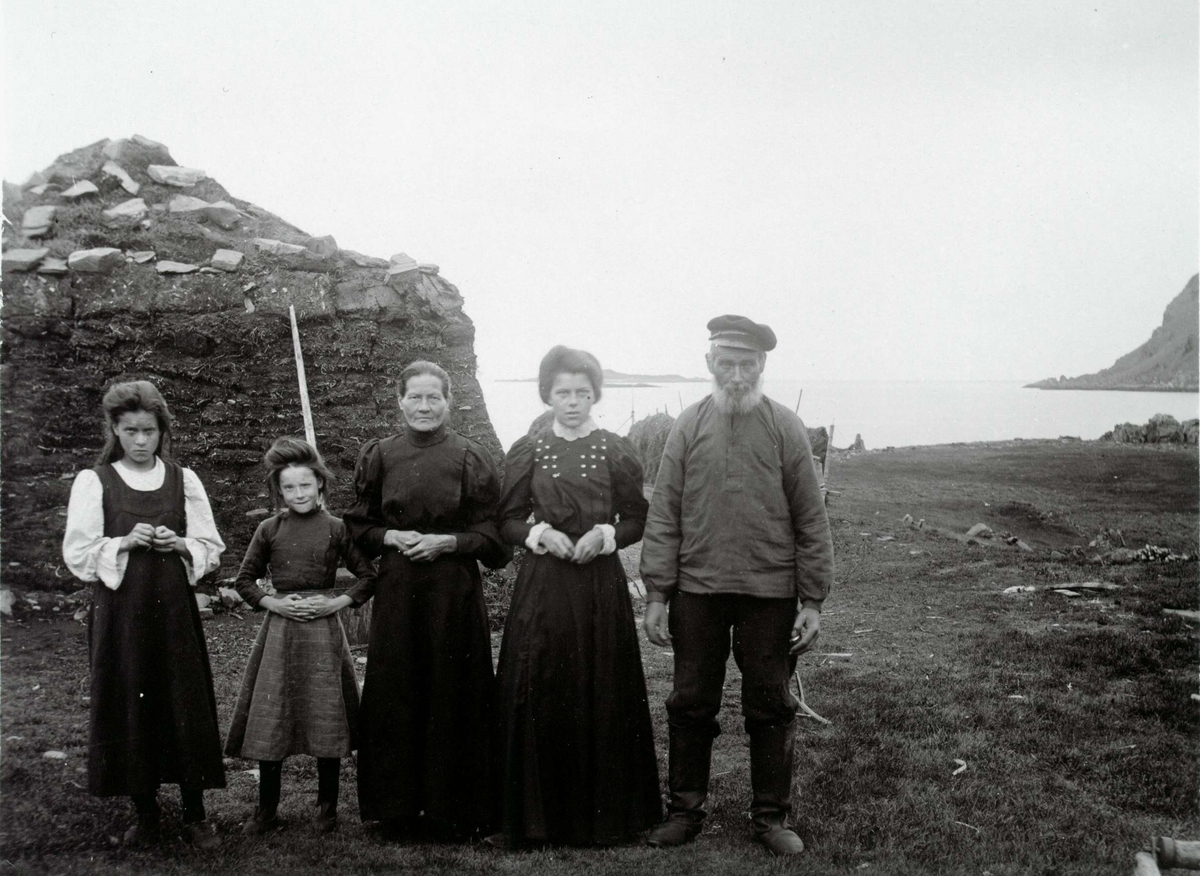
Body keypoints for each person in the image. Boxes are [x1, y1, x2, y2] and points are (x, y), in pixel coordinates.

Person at [640, 315, 835, 857]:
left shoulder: (785, 426)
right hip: (696, 592)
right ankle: (684, 812)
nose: (736, 375)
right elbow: (664, 513)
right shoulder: (689, 424)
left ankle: (770, 819)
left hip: (769, 595)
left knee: (770, 704)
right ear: (709, 364)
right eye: (725, 364)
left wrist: (812, 600)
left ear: (762, 365)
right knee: (690, 702)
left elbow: (811, 518)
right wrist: (657, 593)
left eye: (746, 364)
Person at [493, 346, 661, 846]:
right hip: (543, 587)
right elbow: (505, 520)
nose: (572, 402)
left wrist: (607, 536)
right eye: (562, 393)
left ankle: (603, 814)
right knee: (539, 681)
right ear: (547, 393)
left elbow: (638, 516)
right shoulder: (530, 448)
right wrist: (538, 534)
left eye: (582, 393)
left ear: (595, 395)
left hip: (598, 588)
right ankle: (536, 817)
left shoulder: (615, 449)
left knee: (600, 683)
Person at [344, 360, 509, 839]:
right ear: (400, 400)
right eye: (414, 397)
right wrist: (393, 536)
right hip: (399, 589)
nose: (423, 406)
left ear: (448, 401)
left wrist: (448, 543)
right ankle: (395, 810)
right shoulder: (380, 455)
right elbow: (358, 527)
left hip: (453, 591)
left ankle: (455, 810)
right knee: (398, 690)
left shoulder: (469, 457)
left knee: (454, 690)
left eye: (432, 397)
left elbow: (495, 538)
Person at [62, 380, 227, 849]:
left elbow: (210, 546)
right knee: (129, 698)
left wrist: (179, 544)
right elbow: (79, 553)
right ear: (115, 429)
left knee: (184, 697)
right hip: (123, 614)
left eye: (149, 431)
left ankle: (196, 813)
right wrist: (123, 543)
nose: (140, 441)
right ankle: (146, 809)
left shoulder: (183, 479)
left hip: (173, 611)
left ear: (161, 431)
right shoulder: (95, 481)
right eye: (130, 431)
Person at [224, 437, 378, 836]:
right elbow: (244, 579)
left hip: (324, 632)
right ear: (279, 490)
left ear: (321, 485)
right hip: (281, 631)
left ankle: (326, 808)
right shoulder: (269, 529)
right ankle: (266, 810)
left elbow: (367, 578)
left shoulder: (337, 529)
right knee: (272, 714)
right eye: (289, 487)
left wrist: (335, 603)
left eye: (305, 485)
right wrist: (273, 603)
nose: (298, 494)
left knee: (325, 714)